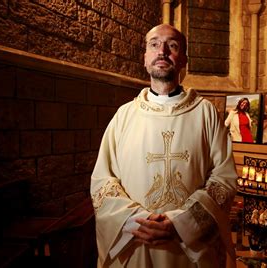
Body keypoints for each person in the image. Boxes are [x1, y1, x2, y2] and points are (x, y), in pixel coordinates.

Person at [90, 24, 238, 268]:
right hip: (135, 243)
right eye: (154, 44)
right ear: (145, 58)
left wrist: (181, 223)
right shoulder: (124, 116)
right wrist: (136, 221)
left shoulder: (206, 113)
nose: (162, 51)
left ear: (183, 61)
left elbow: (224, 179)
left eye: (173, 45)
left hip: (189, 250)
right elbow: (102, 181)